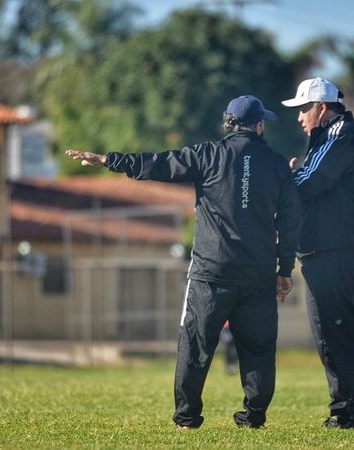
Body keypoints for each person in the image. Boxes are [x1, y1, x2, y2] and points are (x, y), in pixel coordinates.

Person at [66, 95, 300, 429]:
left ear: (228, 124)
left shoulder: (208, 155)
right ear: (259, 125)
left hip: (210, 272)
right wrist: (285, 269)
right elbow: (290, 221)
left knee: (195, 345)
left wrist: (108, 159)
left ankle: (187, 418)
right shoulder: (278, 165)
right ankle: (255, 416)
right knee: (259, 348)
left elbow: (157, 164)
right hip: (257, 274)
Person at [281, 77, 354, 429]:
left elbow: (309, 182)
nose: (300, 116)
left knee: (338, 333)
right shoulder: (328, 138)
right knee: (329, 335)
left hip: (337, 252)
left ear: (322, 108)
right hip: (326, 252)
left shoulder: (340, 137)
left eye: (304, 108)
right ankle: (344, 410)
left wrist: (285, 180)